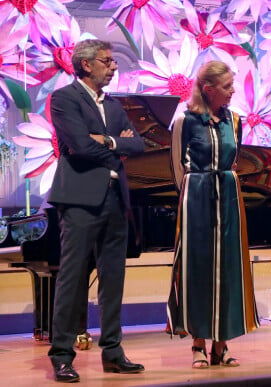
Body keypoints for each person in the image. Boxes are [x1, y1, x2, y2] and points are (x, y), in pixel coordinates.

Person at [47, 39, 146, 382]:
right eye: (108, 61)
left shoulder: (115, 106)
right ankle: (62, 355)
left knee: (113, 278)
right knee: (72, 279)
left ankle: (114, 352)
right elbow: (79, 145)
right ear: (87, 65)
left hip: (115, 200)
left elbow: (139, 144)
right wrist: (115, 149)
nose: (114, 66)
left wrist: (109, 142)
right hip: (79, 200)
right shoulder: (64, 99)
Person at [167, 60, 259, 369]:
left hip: (228, 197)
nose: (233, 91)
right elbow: (178, 168)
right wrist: (189, 200)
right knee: (198, 267)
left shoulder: (234, 120)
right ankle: (197, 343)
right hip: (196, 197)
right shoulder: (185, 121)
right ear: (208, 89)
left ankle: (222, 344)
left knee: (228, 268)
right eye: (227, 86)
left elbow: (234, 161)